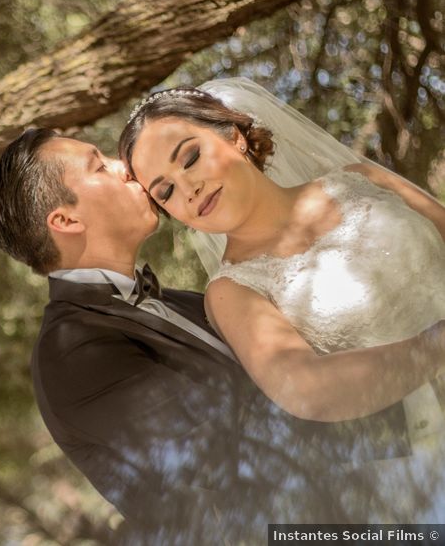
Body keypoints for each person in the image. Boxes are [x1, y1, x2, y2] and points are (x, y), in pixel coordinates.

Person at [0, 124, 442, 541]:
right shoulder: (74, 355)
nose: (125, 171)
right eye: (99, 166)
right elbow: (234, 459)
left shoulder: (184, 300)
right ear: (66, 220)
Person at [118, 77, 445, 521]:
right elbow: (306, 389)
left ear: (233, 136)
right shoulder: (231, 291)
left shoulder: (360, 179)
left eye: (190, 157)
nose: (188, 188)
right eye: (166, 191)